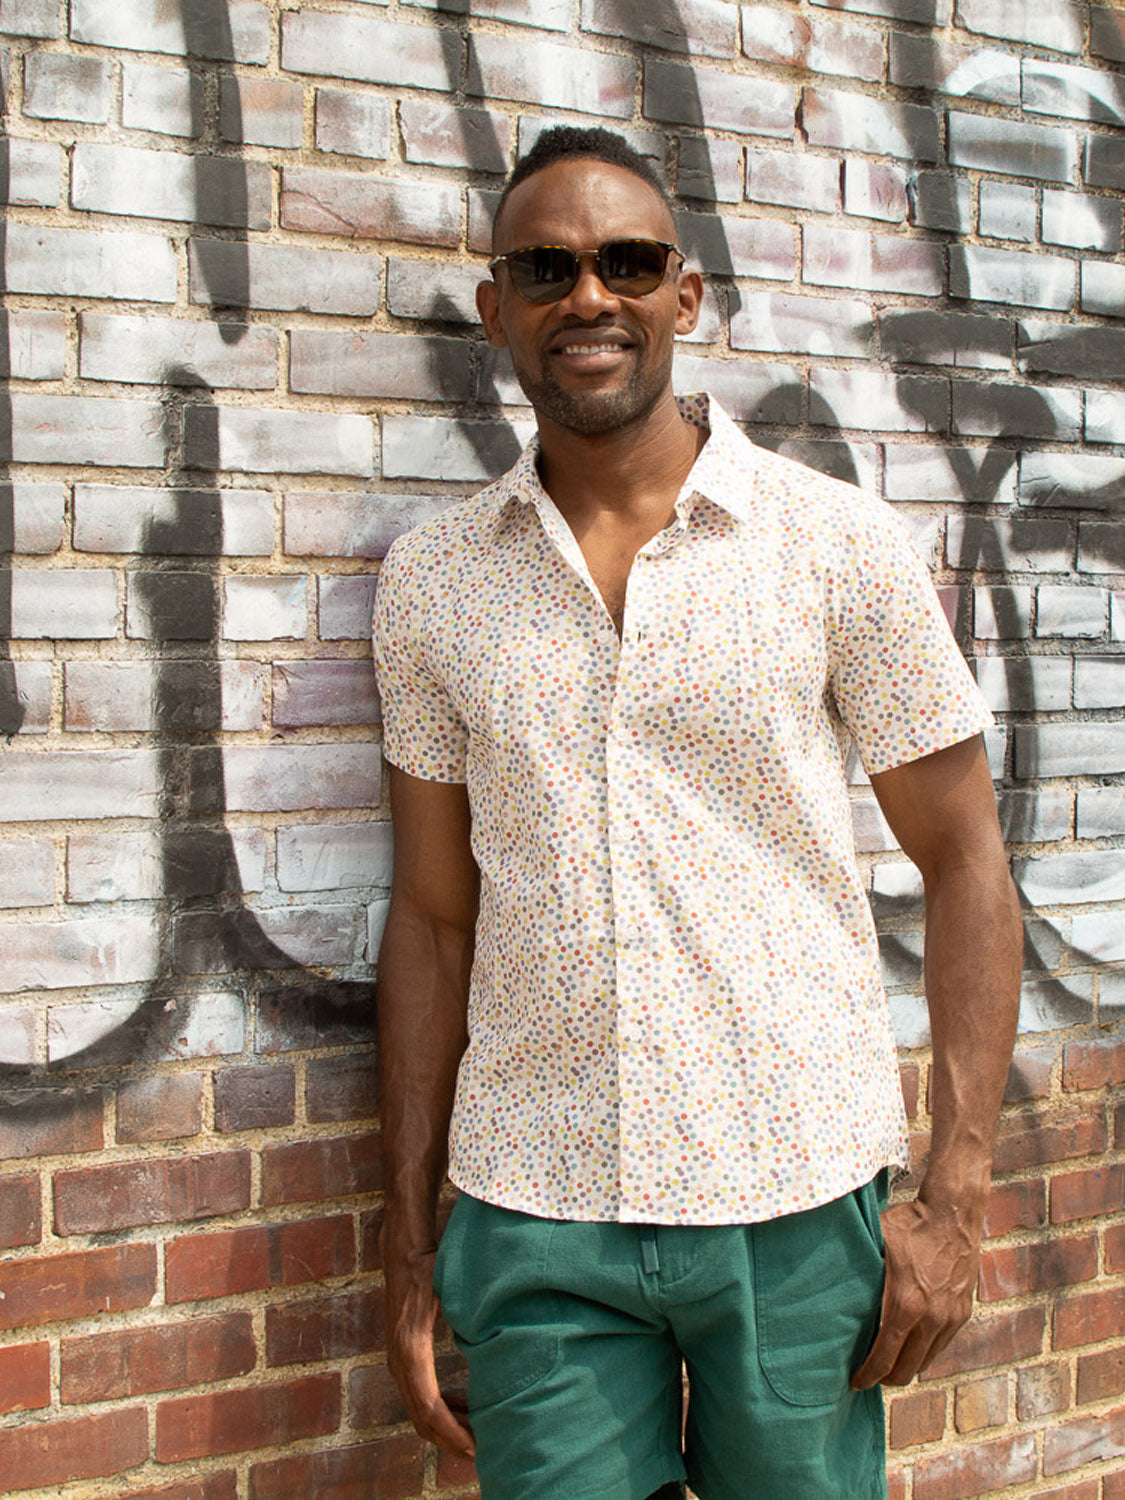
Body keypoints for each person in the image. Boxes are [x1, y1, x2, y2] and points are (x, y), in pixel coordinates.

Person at [372, 125, 1022, 1500]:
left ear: (685, 294)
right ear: (495, 310)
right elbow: (432, 924)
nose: (587, 297)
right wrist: (409, 1226)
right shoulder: (433, 584)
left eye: (626, 261)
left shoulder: (831, 543)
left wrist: (952, 1198)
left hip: (793, 1201)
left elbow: (965, 861)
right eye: (544, 268)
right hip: (533, 1208)